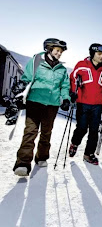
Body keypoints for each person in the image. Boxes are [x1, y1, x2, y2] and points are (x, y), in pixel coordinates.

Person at [13, 38, 70, 176]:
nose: (59, 54)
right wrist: (21, 93)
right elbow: (26, 79)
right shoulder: (36, 61)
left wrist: (66, 98)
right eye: (57, 50)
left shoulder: (62, 69)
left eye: (61, 52)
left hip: (52, 105)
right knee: (30, 132)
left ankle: (42, 157)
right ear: (49, 49)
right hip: (35, 101)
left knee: (46, 132)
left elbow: (64, 86)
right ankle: (23, 163)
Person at [68, 43, 102, 165]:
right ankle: (74, 143)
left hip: (97, 105)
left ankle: (88, 154)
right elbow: (73, 78)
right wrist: (73, 92)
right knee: (82, 128)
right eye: (99, 54)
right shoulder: (81, 65)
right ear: (92, 53)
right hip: (83, 103)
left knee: (94, 131)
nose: (101, 57)